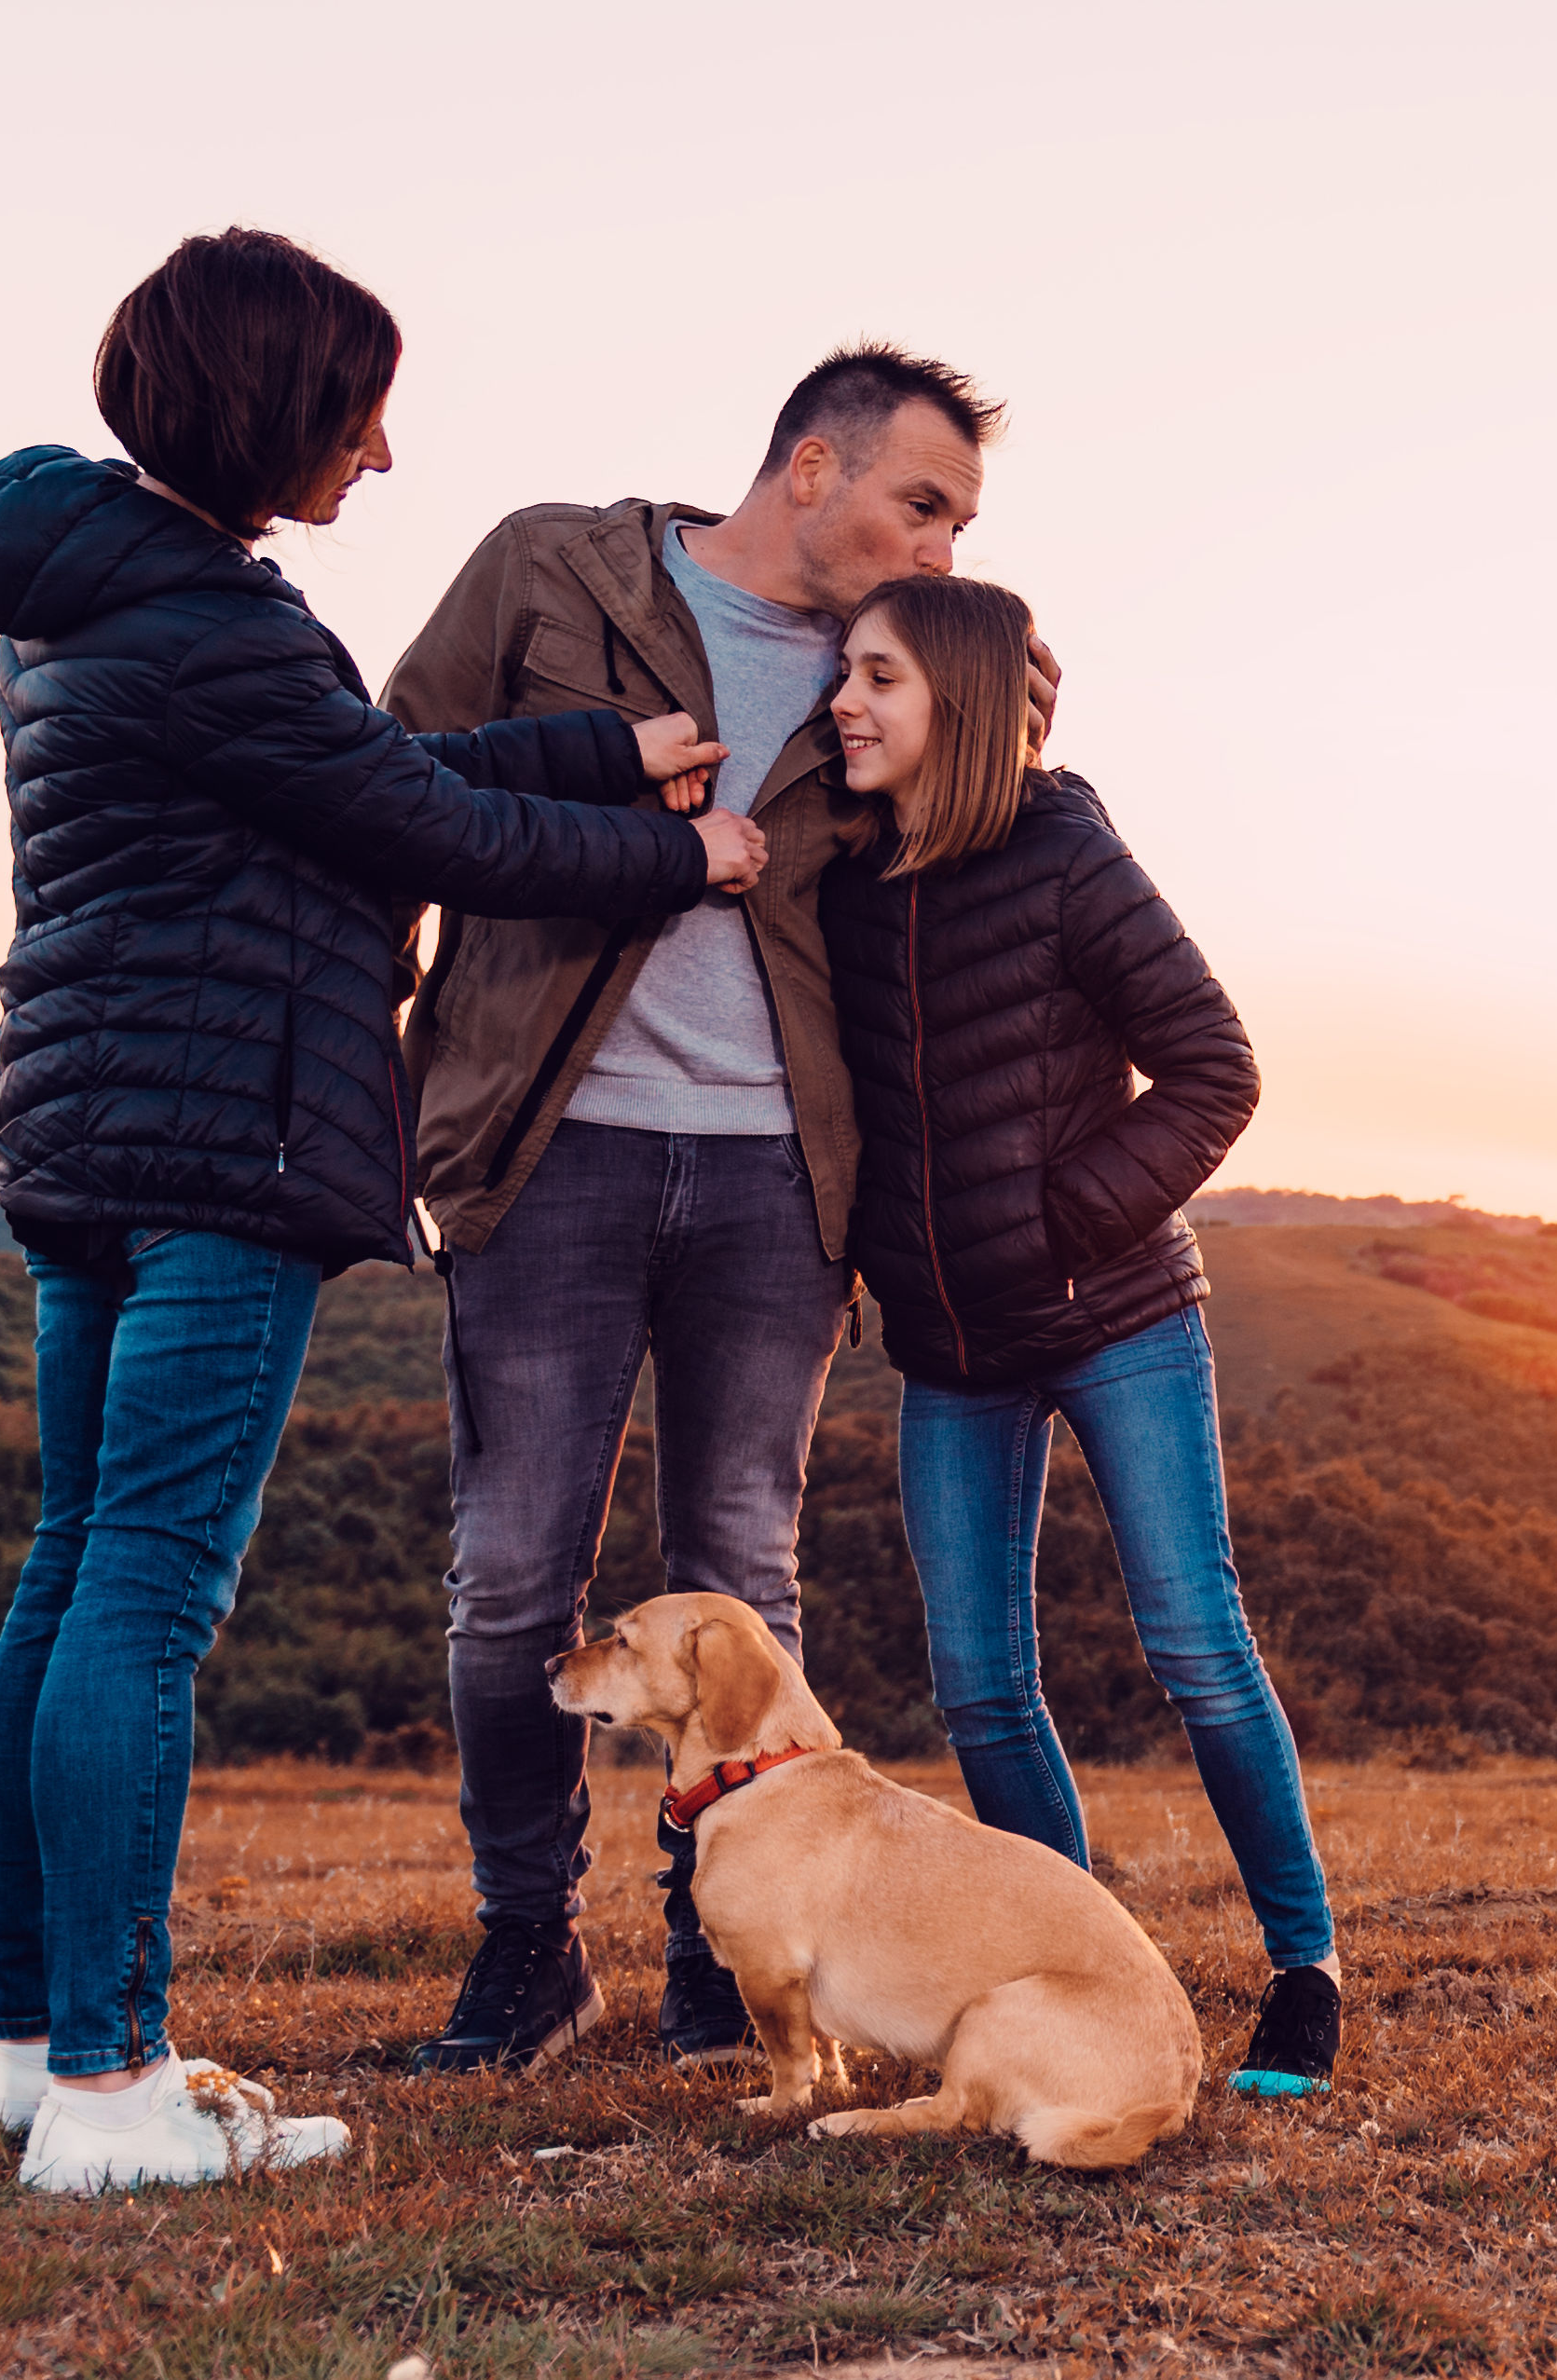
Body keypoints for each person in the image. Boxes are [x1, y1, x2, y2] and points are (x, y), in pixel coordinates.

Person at [0, 226, 768, 2193]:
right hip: (223, 1142)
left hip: (84, 1136)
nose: (381, 453)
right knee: (146, 1590)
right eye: (360, 409)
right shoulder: (216, 619)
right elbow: (426, 827)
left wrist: (594, 745)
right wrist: (684, 854)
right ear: (274, 405)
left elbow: (356, 770)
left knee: (70, 1567)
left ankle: (20, 2045)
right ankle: (118, 2092)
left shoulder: (83, 595)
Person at [382, 348, 1059, 2073]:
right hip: (553, 1149)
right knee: (518, 1576)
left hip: (778, 1177)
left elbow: (960, 862)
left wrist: (1000, 708)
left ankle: (720, 1947)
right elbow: (382, 795)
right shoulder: (556, 569)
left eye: (965, 528)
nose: (942, 552)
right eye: (925, 507)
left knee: (744, 1581)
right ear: (811, 466)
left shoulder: (886, 668)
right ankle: (527, 1951)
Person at [815, 572, 1344, 2099]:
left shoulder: (1063, 853)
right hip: (951, 1352)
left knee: (1194, 1642)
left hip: (1115, 1313)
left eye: (880, 678)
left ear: (962, 703)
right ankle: (1079, 1967)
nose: (844, 702)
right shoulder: (848, 891)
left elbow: (1215, 1068)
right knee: (979, 1679)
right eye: (847, 673)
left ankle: (1303, 1965)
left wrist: (1053, 1224)